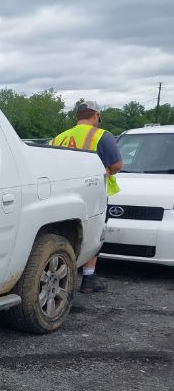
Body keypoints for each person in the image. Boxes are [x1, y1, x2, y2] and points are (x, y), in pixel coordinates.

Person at [50, 100, 123, 293]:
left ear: (77, 117)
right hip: (91, 194)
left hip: (61, 194)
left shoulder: (59, 137)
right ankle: (88, 278)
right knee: (93, 233)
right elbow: (116, 164)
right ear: (95, 116)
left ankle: (58, 275)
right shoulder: (101, 135)